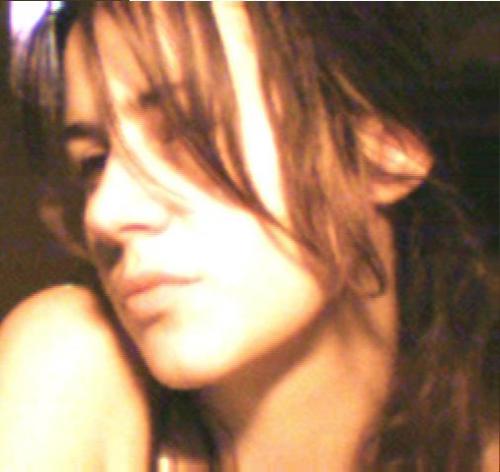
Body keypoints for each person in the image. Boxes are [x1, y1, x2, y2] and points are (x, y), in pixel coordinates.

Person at [1, 2, 497, 470]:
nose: (104, 213)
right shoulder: (69, 363)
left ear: (386, 150)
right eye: (93, 163)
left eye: (190, 131)